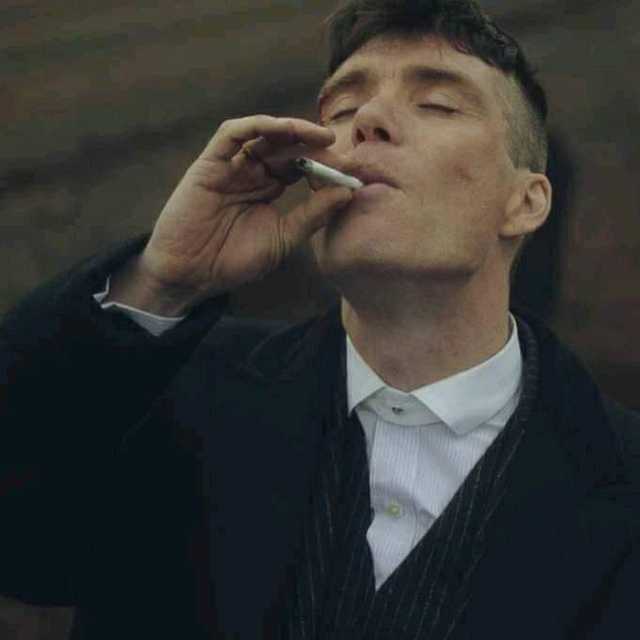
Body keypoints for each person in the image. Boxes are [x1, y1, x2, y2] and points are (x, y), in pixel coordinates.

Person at [2, 0, 639, 638]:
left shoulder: (619, 479)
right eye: (341, 109)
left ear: (526, 202)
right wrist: (162, 280)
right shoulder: (171, 392)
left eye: (437, 104)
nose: (367, 120)